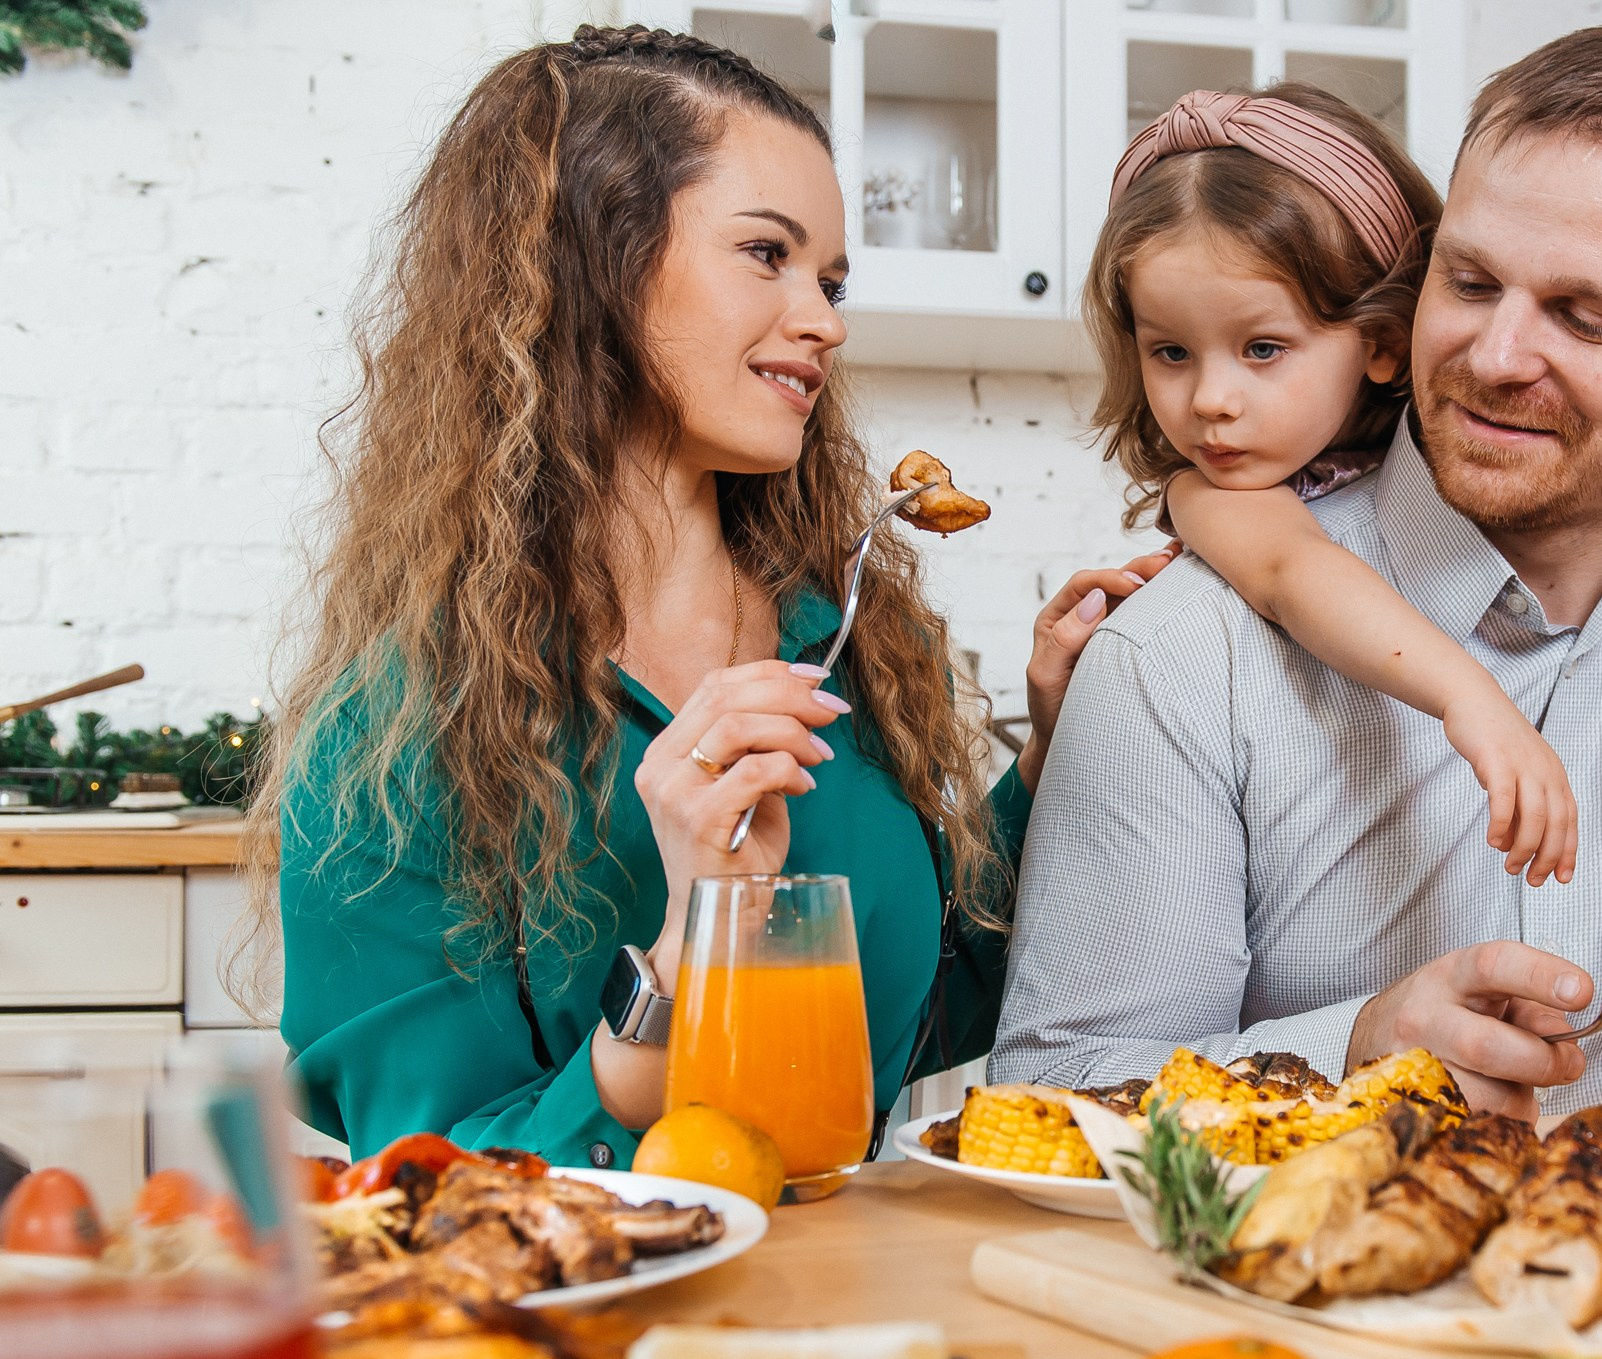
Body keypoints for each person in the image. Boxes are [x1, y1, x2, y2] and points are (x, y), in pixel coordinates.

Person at [995, 22, 1602, 1116]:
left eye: (1587, 316)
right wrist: (1356, 1048)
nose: (1496, 357)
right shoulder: (1183, 647)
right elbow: (1057, 1098)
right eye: (1469, 284)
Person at [257, 26, 1165, 1167]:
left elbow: (927, 1011)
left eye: (831, 280)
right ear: (593, 257)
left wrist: (1052, 761)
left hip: (861, 1295)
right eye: (766, 254)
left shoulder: (850, 647)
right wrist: (694, 947)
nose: (825, 319)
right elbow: (439, 1191)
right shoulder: (393, 738)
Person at [1089, 85, 1602, 886]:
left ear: (1384, 343)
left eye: (1261, 349)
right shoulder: (1214, 493)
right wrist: (1471, 698)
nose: (1209, 402)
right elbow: (1299, 574)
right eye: (1170, 352)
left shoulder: (1468, 415)